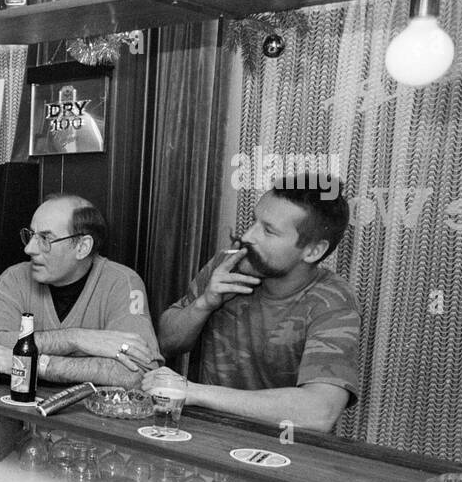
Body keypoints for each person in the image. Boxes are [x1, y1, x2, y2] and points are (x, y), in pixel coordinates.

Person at [147, 176, 359, 433]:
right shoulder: (230, 264)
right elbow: (166, 343)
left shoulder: (332, 300)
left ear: (313, 251)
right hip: (206, 435)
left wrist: (193, 392)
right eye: (254, 221)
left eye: (269, 231)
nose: (248, 236)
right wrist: (204, 304)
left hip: (281, 446)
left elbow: (319, 412)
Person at [0, 194, 161, 387]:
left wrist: (35, 363)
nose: (29, 249)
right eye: (30, 235)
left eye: (45, 238)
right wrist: (76, 339)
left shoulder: (123, 282)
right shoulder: (15, 277)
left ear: (82, 247)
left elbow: (139, 374)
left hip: (87, 416)